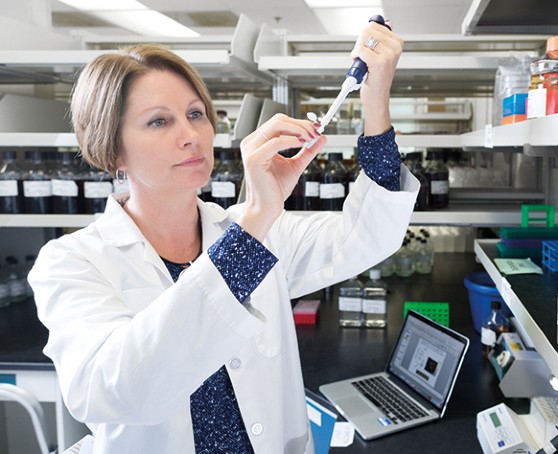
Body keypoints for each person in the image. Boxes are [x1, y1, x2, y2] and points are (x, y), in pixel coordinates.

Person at [29, 20, 416, 454]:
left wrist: (375, 99)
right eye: (159, 122)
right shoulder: (71, 262)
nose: (191, 136)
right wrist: (256, 218)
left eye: (196, 114)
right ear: (113, 149)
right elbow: (122, 391)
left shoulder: (253, 232)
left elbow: (367, 235)